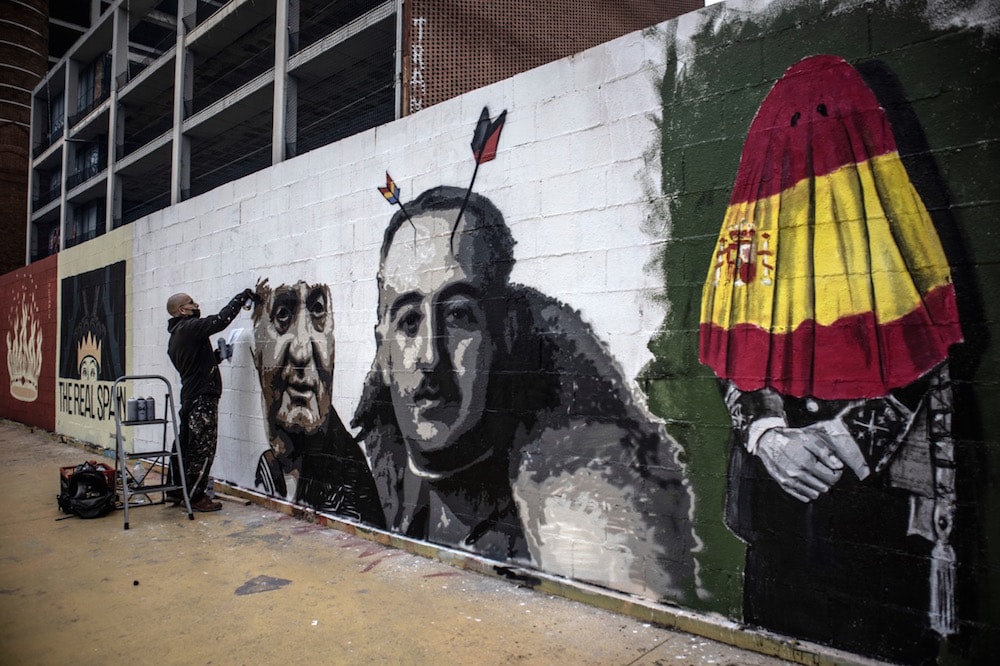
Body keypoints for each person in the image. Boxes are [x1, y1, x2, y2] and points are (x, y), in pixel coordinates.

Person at [698, 56, 963, 664]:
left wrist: (835, 446)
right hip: (773, 506)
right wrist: (769, 438)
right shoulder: (752, 237)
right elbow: (731, 352)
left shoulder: (891, 228)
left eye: (824, 122)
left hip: (872, 515)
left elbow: (924, 356)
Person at [353, 186, 703, 603]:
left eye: (459, 315)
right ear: (384, 349)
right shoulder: (372, 475)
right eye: (409, 322)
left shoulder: (558, 519)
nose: (430, 355)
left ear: (503, 334)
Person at [251, 279, 384, 526]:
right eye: (282, 315)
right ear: (254, 349)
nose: (302, 351)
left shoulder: (350, 499)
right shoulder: (274, 465)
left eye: (318, 311)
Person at [166, 288, 256, 512]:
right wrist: (239, 299)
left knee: (184, 443)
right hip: (201, 398)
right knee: (202, 448)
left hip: (189, 395)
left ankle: (176, 488)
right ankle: (196, 496)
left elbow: (195, 366)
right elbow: (220, 321)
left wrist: (217, 357)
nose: (196, 305)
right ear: (181, 310)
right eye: (191, 302)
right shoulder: (189, 328)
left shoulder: (176, 336)